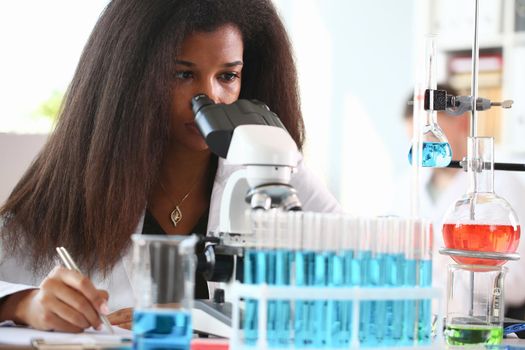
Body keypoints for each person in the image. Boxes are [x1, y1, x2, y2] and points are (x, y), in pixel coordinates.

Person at [0, 0, 341, 332]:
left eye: (227, 76)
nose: (209, 97)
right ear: (132, 78)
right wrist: (18, 303)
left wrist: (197, 314)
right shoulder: (79, 177)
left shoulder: (274, 167)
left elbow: (351, 270)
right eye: (182, 74)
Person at [394, 84, 525, 317]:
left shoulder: (502, 186)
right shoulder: (405, 186)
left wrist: (453, 261)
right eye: (416, 141)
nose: (425, 150)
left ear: (463, 122)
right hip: (413, 322)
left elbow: (517, 285)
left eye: (433, 136)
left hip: (471, 327)